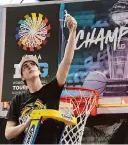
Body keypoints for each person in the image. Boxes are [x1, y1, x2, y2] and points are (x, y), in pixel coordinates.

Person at [5, 13, 77, 144]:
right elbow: (8, 134)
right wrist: (26, 124)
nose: (30, 67)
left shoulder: (52, 90)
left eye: (33, 64)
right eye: (25, 67)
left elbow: (67, 61)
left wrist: (72, 32)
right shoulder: (18, 99)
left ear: (39, 70)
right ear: (22, 77)